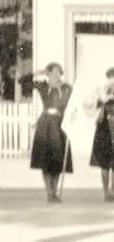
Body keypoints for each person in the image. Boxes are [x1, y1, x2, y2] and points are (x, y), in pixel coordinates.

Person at [30, 63, 73, 203]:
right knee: (45, 159)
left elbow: (75, 103)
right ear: (48, 74)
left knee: (58, 159)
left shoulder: (67, 88)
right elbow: (23, 80)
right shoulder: (43, 86)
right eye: (52, 72)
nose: (55, 75)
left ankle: (54, 191)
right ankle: (49, 191)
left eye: (58, 72)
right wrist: (39, 72)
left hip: (61, 124)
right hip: (46, 124)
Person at [88, 67, 114, 202]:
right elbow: (91, 109)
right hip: (104, 131)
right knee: (104, 164)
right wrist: (101, 98)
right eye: (111, 78)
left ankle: (112, 191)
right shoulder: (100, 96)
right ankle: (106, 192)